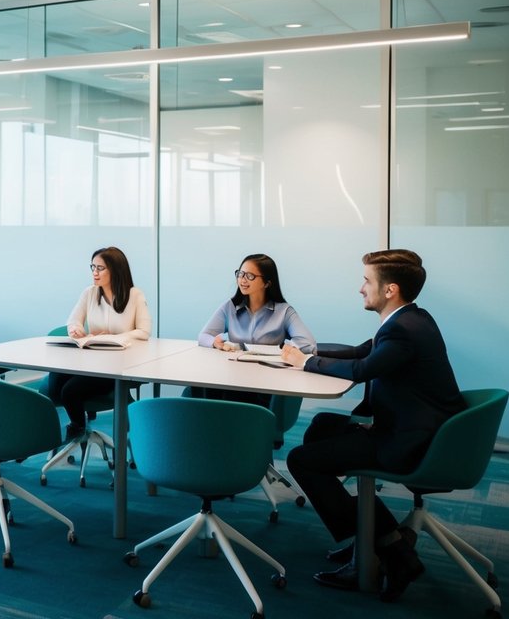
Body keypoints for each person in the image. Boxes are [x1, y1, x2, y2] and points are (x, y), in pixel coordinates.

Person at [282, 249, 463, 602]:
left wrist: (307, 363)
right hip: (413, 426)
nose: (361, 288)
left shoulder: (402, 331)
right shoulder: (410, 319)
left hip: (411, 441)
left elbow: (362, 370)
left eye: (367, 281)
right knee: (322, 426)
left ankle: (388, 549)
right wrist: (299, 352)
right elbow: (359, 352)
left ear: (390, 289)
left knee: (301, 460)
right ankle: (372, 538)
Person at [49, 246, 151, 441]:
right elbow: (73, 320)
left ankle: (77, 428)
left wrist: (109, 337)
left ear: (115, 270)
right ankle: (51, 432)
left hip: (117, 366)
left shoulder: (134, 295)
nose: (94, 272)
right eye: (92, 267)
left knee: (69, 390)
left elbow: (144, 332)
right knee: (54, 381)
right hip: (90, 360)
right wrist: (76, 329)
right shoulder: (90, 293)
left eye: (100, 268)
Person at [194, 253, 316, 406]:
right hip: (233, 379)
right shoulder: (230, 307)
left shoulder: (284, 311)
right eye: (240, 274)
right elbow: (203, 335)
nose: (243, 280)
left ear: (267, 283)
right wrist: (215, 343)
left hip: (267, 384)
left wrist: (283, 350)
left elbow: (309, 344)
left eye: (250, 276)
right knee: (203, 388)